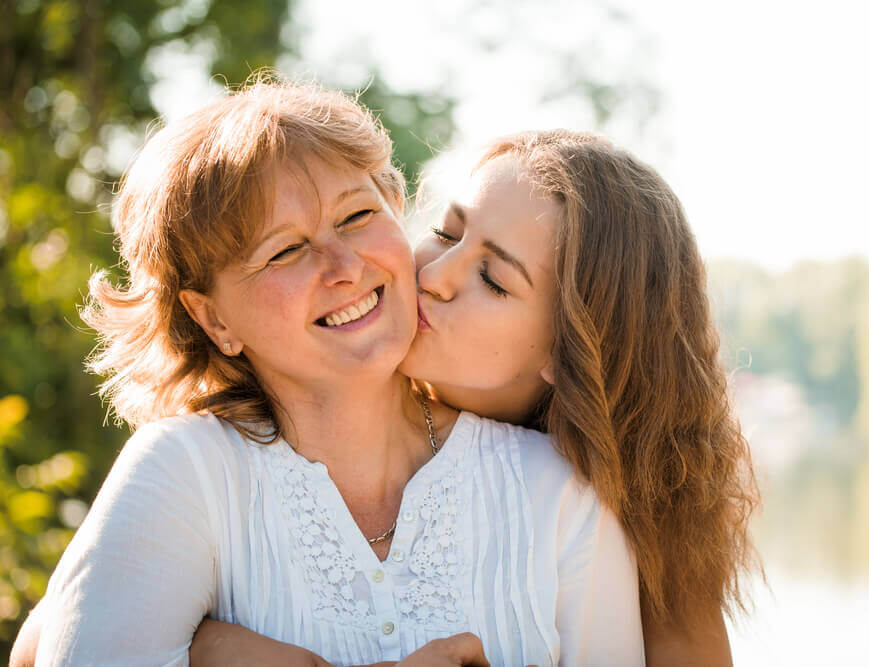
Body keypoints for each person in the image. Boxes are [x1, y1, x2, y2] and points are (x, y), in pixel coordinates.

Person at [14, 80, 644, 666]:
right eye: (285, 250)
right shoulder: (185, 472)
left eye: (356, 217)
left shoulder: (558, 492)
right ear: (214, 320)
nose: (343, 265)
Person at [179, 130, 760, 665]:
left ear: (570, 350)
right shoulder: (244, 444)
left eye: (493, 280)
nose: (434, 275)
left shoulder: (624, 529)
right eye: (446, 234)